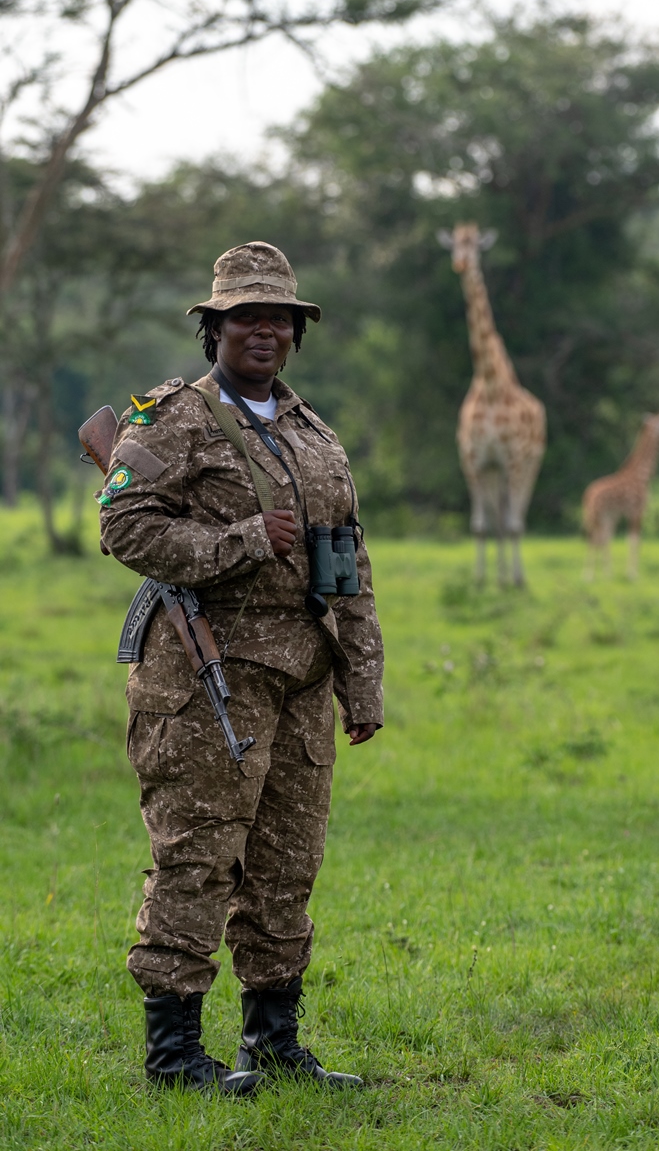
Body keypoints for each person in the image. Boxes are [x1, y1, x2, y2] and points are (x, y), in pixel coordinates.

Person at [99, 241, 384, 1094]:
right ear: (213, 328)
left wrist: (361, 679)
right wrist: (239, 542)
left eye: (279, 319)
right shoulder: (169, 418)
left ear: (295, 333)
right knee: (195, 855)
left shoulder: (313, 432)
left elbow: (351, 563)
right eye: (245, 317)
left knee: (287, 863)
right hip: (204, 679)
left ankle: (274, 1039)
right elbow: (124, 526)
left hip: (303, 678)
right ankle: (175, 1054)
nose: (264, 331)